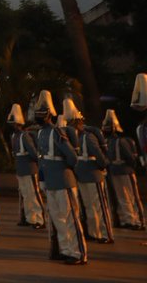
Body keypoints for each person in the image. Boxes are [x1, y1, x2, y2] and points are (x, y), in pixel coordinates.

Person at [34, 90, 87, 264]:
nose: (39, 117)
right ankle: (66, 250)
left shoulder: (57, 132)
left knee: (71, 218)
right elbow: (41, 160)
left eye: (42, 114)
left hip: (63, 181)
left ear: (49, 115)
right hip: (51, 182)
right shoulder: (41, 133)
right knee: (57, 218)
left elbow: (71, 156)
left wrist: (67, 171)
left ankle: (78, 253)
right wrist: (42, 179)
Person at [65, 98, 113, 243]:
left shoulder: (88, 136)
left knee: (99, 207)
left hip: (93, 174)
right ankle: (94, 233)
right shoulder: (72, 138)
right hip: (82, 175)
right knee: (88, 206)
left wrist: (103, 165)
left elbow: (98, 154)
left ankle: (106, 234)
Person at [102, 108, 144, 230]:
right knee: (121, 196)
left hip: (125, 171)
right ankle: (126, 219)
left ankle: (136, 220)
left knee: (131, 196)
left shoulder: (122, 141)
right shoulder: (107, 142)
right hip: (114, 171)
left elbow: (130, 157)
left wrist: (131, 167)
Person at [8, 103, 45, 229]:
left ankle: (40, 219)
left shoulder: (25, 135)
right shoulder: (14, 136)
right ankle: (31, 218)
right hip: (21, 169)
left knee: (34, 195)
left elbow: (33, 152)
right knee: (26, 195)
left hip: (29, 168)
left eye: (15, 123)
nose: (14, 126)